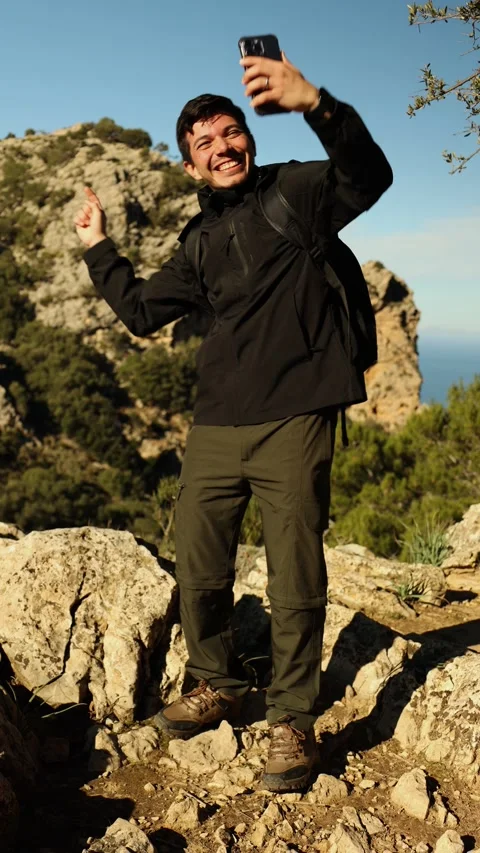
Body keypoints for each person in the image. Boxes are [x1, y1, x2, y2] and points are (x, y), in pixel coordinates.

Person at [75, 50, 392, 792]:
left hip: (295, 416)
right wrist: (98, 246)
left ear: (248, 136)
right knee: (200, 565)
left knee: (294, 571)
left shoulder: (299, 192)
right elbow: (143, 311)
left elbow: (368, 174)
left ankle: (291, 717)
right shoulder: (199, 239)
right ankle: (216, 680)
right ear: (191, 166)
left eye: (230, 134)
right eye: (204, 145)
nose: (222, 149)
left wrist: (315, 101)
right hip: (217, 424)